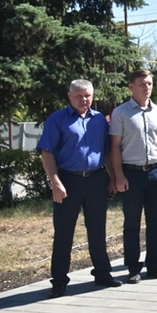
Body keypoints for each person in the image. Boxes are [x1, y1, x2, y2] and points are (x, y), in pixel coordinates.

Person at [38, 79, 121, 297]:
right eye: (79, 96)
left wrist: (113, 178)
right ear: (69, 96)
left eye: (87, 96)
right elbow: (46, 152)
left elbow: (106, 152)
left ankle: (102, 273)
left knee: (98, 230)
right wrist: (55, 182)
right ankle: (59, 281)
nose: (84, 100)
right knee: (64, 233)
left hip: (96, 180)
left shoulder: (99, 120)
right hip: (68, 181)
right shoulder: (57, 119)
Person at [110, 69, 157, 284]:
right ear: (131, 87)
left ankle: (154, 265)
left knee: (155, 222)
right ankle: (133, 268)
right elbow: (115, 146)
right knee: (132, 223)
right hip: (131, 174)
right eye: (142, 84)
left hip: (155, 172)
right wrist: (118, 175)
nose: (147, 88)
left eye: (149, 84)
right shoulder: (121, 113)